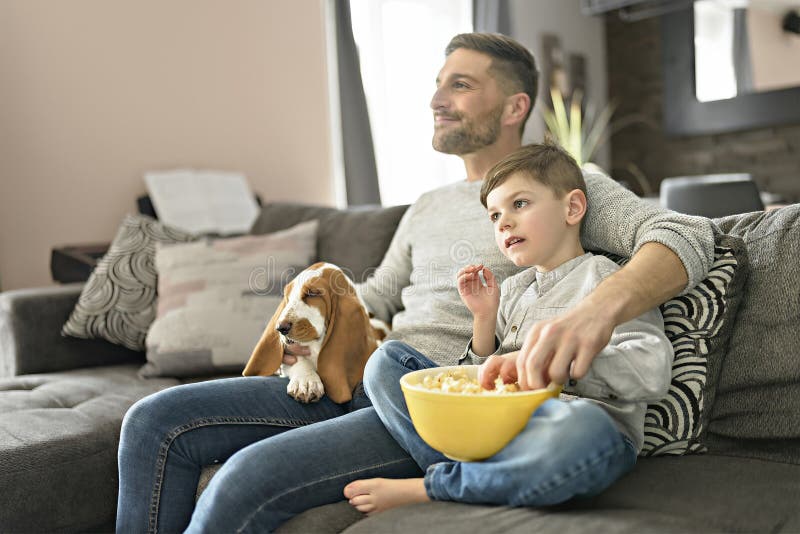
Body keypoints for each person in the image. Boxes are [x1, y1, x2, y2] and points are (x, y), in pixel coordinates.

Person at [116, 33, 714, 533]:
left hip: (439, 398)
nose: (436, 98)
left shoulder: (564, 183)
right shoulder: (426, 206)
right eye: (437, 83)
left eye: (460, 84)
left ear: (513, 108)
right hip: (362, 374)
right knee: (152, 422)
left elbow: (688, 234)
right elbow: (371, 298)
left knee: (243, 480)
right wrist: (301, 325)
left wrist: (596, 313)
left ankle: (446, 474)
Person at [343, 142, 674, 513]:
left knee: (584, 430)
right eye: (494, 216)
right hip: (496, 426)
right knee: (386, 361)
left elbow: (652, 368)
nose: (504, 223)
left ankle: (440, 483)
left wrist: (555, 365)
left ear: (572, 207)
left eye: (519, 204)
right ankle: (476, 478)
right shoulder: (514, 290)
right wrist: (484, 319)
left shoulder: (606, 281)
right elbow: (484, 376)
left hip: (566, 425)